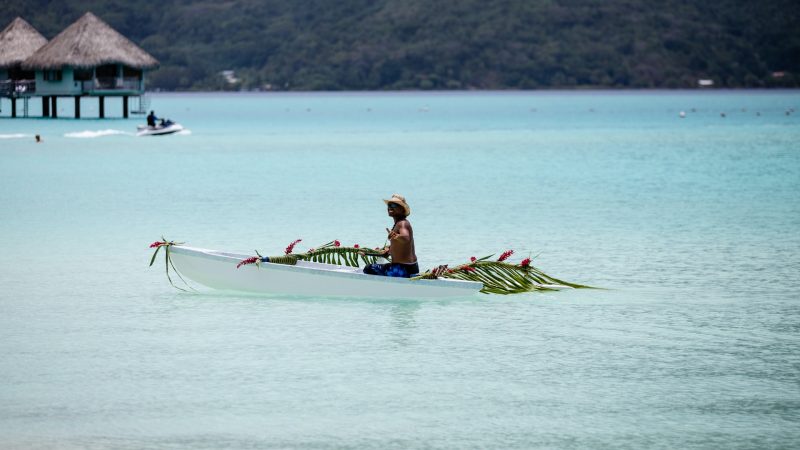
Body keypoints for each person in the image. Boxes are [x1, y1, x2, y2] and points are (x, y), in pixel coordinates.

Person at [363, 194, 419, 278]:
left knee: (368, 268)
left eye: (393, 205)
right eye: (389, 205)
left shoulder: (402, 223)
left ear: (402, 209)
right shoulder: (399, 223)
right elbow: (403, 245)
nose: (390, 207)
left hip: (402, 269)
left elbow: (406, 238)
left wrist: (397, 236)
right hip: (410, 268)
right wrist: (389, 250)